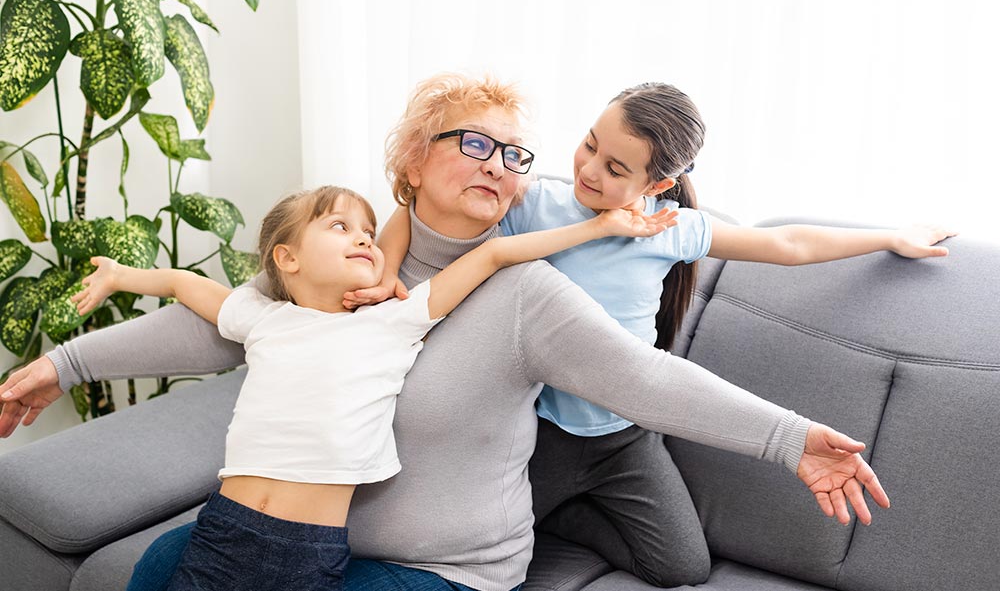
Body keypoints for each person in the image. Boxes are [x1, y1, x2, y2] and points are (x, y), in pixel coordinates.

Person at [0, 73, 891, 591]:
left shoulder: (524, 288)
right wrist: (60, 365)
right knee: (149, 572)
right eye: (476, 144)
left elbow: (640, 378)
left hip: (445, 569)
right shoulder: (351, 264)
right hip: (304, 543)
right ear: (414, 158)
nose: (501, 167)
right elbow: (220, 324)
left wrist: (793, 438)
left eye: (514, 157)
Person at [347, 82, 954, 586]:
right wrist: (383, 273)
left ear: (657, 185)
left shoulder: (672, 228)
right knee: (494, 528)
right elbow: (422, 198)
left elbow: (788, 244)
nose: (587, 169)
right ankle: (553, 514)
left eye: (614, 168)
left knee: (681, 567)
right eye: (587, 145)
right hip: (548, 431)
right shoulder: (534, 204)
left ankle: (571, 516)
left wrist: (888, 237)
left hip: (624, 434)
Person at [67, 185, 675, 591]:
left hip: (312, 553)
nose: (363, 238)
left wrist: (597, 227)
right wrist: (121, 276)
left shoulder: (396, 321)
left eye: (367, 230)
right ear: (287, 259)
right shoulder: (261, 318)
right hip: (223, 529)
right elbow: (181, 285)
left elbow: (494, 257)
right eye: (339, 227)